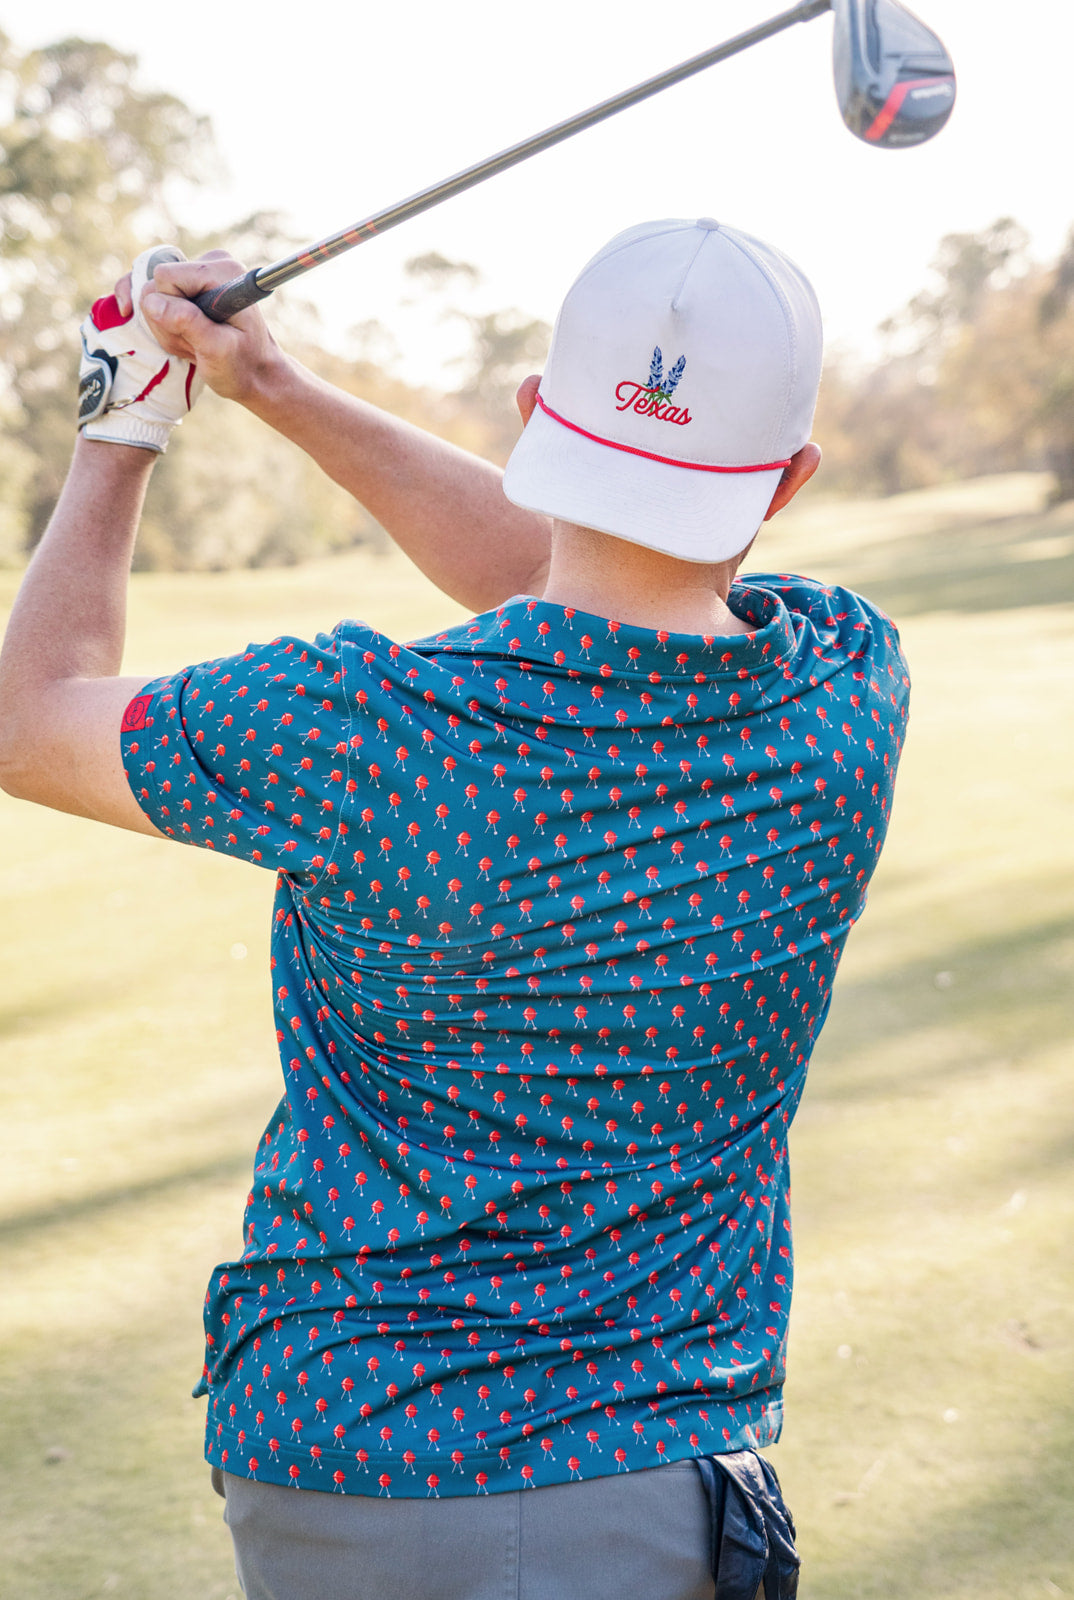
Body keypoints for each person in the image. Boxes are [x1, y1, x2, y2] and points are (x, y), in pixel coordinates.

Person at [0, 217, 909, 1600]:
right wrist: (273, 385)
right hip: (642, 1471)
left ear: (536, 417)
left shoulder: (355, 730)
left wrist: (131, 421)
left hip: (329, 1451)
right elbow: (602, 600)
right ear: (784, 480)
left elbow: (25, 721)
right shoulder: (846, 690)